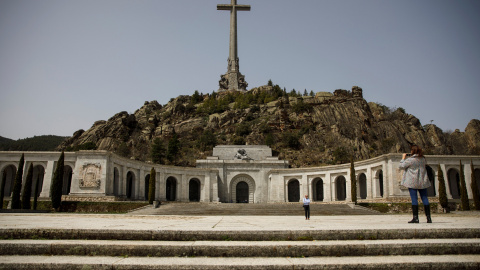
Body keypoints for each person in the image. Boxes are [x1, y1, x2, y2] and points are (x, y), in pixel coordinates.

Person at [399, 145, 432, 223]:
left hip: (412, 182)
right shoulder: (423, 159)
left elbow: (401, 166)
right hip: (422, 181)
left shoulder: (410, 160)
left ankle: (415, 218)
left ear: (412, 151)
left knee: (414, 199)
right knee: (425, 198)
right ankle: (428, 218)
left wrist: (403, 158)